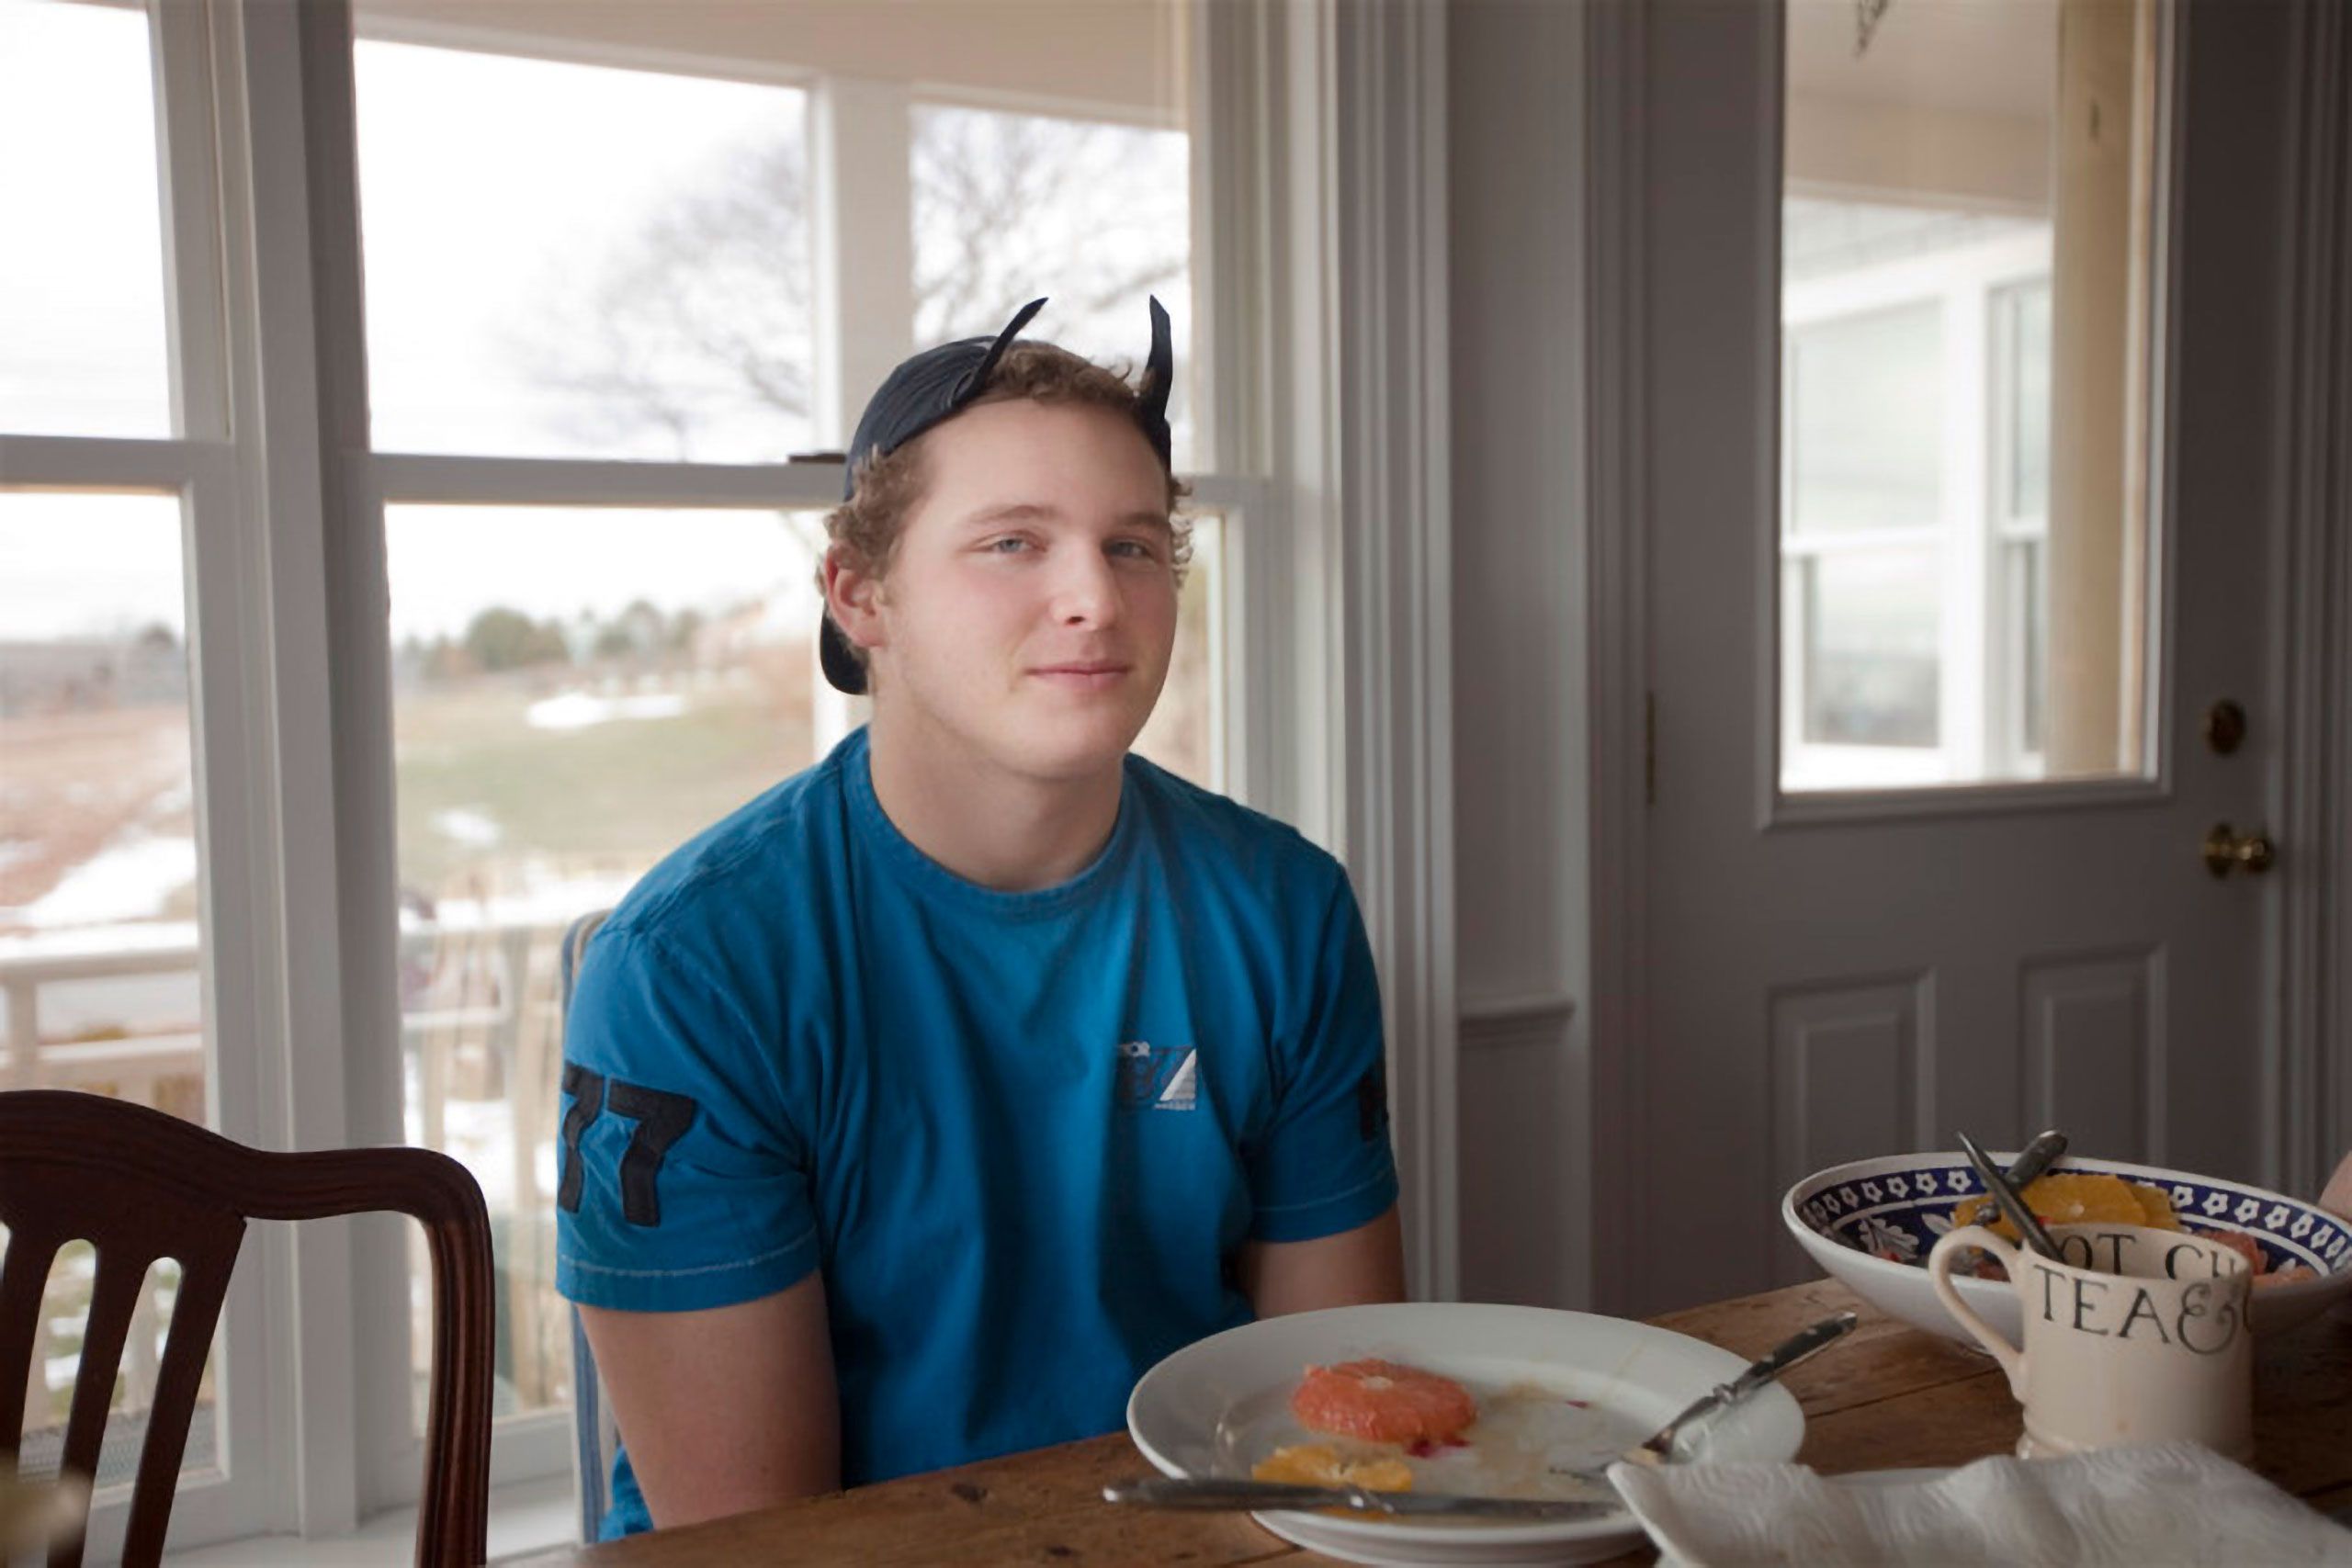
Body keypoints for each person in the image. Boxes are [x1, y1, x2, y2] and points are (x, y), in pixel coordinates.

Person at [554, 298, 1407, 1540]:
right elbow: (758, 1539)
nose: (1095, 599)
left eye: (1132, 545)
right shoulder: (692, 967)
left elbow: (1341, 1419)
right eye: (1013, 542)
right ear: (859, 596)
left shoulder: (1285, 908)